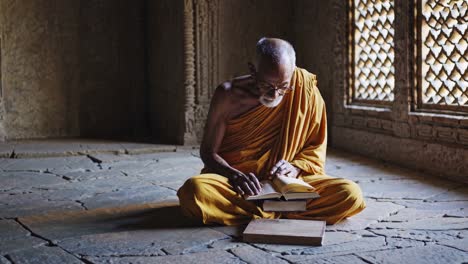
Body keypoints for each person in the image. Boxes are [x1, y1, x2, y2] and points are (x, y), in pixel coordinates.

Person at [177, 37, 366, 226]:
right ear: (253, 71)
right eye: (267, 85)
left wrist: (296, 166)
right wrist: (235, 175)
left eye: (283, 86)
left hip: (287, 184)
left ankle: (263, 210)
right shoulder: (228, 95)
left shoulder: (304, 88)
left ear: (292, 73)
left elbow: (315, 146)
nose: (275, 94)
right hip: (242, 185)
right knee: (194, 192)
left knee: (350, 194)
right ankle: (286, 209)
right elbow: (209, 152)